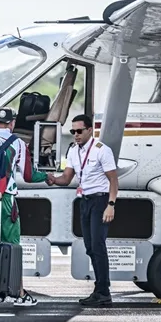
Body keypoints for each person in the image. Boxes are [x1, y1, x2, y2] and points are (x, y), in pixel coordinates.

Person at [0, 107, 48, 307]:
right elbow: (29, 175)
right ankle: (19, 293)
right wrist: (48, 177)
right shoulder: (18, 144)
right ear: (12, 122)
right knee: (13, 244)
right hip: (4, 197)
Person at [47, 114, 118, 307]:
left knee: (98, 246)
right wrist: (53, 180)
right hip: (84, 201)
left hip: (101, 200)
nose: (75, 135)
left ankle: (104, 291)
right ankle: (99, 289)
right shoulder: (73, 151)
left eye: (79, 131)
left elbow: (113, 179)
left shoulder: (102, 150)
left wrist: (111, 205)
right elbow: (67, 179)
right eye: (73, 131)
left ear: (90, 130)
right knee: (89, 247)